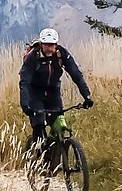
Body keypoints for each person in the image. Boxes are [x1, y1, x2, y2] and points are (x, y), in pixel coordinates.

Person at [18, 27, 92, 158]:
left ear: (56, 44)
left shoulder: (61, 54)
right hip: (35, 93)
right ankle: (38, 158)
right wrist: (25, 105)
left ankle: (56, 156)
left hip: (53, 92)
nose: (49, 48)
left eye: (52, 45)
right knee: (39, 124)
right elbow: (24, 82)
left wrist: (86, 96)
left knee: (58, 123)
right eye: (46, 44)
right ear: (41, 44)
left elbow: (76, 74)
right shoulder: (33, 57)